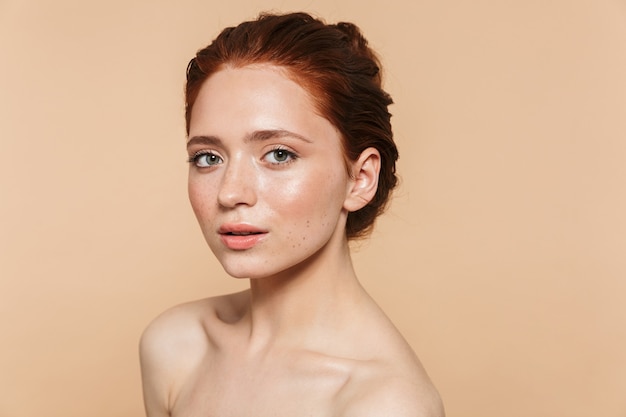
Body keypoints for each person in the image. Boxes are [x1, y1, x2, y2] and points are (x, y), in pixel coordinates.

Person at [140, 12, 444, 417]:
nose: (230, 192)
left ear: (360, 178)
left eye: (279, 154)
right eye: (208, 157)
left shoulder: (383, 403)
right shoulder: (176, 347)